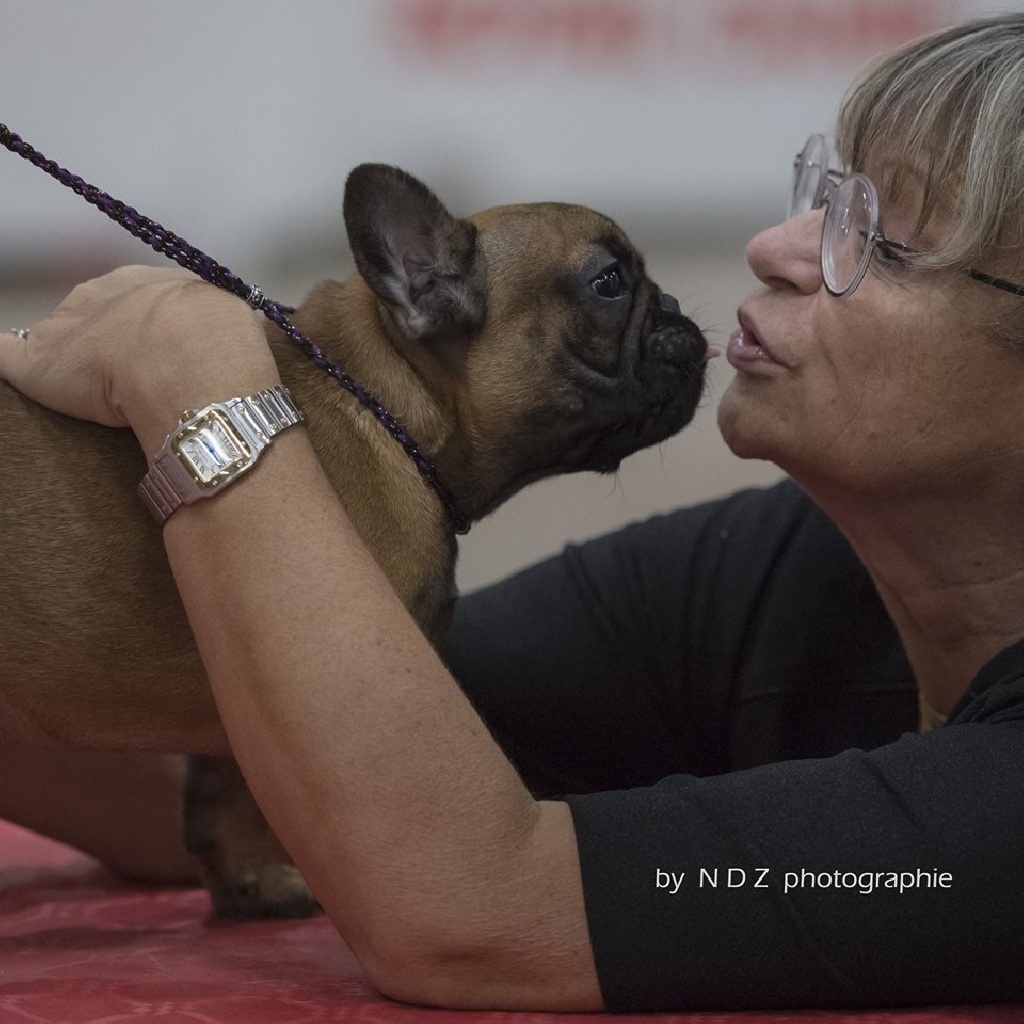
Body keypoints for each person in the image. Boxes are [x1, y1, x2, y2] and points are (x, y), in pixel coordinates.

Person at [2, 11, 1024, 1012]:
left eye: (880, 243)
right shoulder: (768, 576)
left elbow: (478, 917)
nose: (775, 244)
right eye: (821, 197)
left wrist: (202, 386)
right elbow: (320, 757)